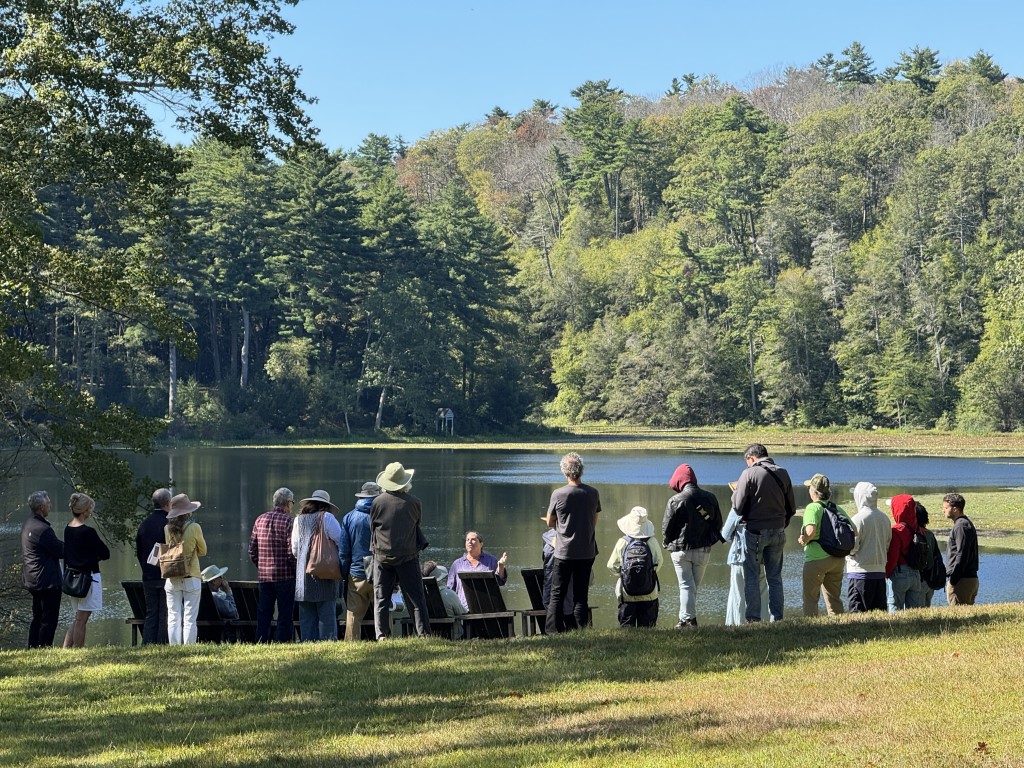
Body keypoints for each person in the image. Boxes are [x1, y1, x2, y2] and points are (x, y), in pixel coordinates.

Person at [731, 443, 796, 622]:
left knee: (751, 576)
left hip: (755, 532)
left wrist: (735, 492)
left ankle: (753, 619)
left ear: (751, 458)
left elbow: (737, 507)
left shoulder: (749, 473)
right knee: (774, 577)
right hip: (778, 530)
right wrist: (782, 524)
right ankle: (778, 618)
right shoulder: (782, 473)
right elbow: (791, 507)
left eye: (747, 462)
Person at [370, 462, 431, 639]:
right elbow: (416, 525)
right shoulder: (415, 503)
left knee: (381, 599)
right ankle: (423, 634)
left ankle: (381, 636)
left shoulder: (377, 502)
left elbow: (372, 527)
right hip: (408, 556)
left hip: (382, 557)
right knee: (416, 599)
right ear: (405, 483)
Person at [662, 463, 723, 629]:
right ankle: (684, 620)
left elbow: (667, 527)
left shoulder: (675, 500)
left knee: (687, 586)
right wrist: (709, 542)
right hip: (703, 550)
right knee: (692, 587)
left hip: (680, 550)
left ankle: (689, 621)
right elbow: (718, 525)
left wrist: (667, 543)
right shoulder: (710, 498)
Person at [545, 452, 600, 634]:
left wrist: (562, 526)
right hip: (587, 550)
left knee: (557, 593)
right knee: (581, 595)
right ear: (581, 471)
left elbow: (549, 521)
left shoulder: (558, 494)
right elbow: (594, 519)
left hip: (564, 551)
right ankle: (580, 630)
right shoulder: (592, 493)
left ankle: (553, 631)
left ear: (565, 472)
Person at [797, 474, 852, 617]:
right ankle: (838, 624)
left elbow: (811, 530)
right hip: (837, 559)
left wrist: (804, 539)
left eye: (810, 487)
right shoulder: (836, 507)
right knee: (834, 598)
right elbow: (855, 530)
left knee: (810, 599)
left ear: (814, 492)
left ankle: (811, 628)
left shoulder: (812, 508)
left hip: (816, 559)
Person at [291, 489, 343, 641]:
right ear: (325, 505)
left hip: (303, 574)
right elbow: (340, 540)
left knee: (307, 615)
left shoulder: (298, 520)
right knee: (326, 614)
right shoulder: (327, 517)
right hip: (324, 571)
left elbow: (294, 549)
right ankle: (327, 642)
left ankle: (308, 643)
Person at [62, 492, 111, 648]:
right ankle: (78, 650)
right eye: (90, 508)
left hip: (72, 577)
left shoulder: (67, 529)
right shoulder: (88, 532)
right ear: (84, 511)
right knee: (82, 618)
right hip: (88, 578)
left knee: (77, 616)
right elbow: (105, 553)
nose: (91, 512)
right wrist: (94, 557)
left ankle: (66, 648)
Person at [248, 487, 297, 643]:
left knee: (264, 612)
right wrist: (295, 572)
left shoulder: (260, 519)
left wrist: (262, 566)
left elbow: (252, 550)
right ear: (288, 503)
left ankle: (261, 640)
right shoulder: (289, 522)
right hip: (285, 576)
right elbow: (291, 552)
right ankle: (282, 642)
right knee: (285, 613)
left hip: (264, 576)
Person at [20, 490, 64, 648]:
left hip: (32, 578)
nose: (50, 506)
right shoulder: (43, 529)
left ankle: (33, 647)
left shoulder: (28, 524)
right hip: (46, 580)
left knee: (37, 616)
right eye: (48, 504)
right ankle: (44, 647)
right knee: (49, 618)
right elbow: (59, 550)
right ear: (41, 507)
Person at [607, 506, 663, 628]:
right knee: (647, 629)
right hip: (650, 592)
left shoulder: (623, 542)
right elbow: (659, 563)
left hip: (627, 593)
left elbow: (611, 565)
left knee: (627, 629)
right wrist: (648, 574)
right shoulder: (652, 541)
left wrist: (624, 574)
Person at [338, 481, 380, 641]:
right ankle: (385, 641)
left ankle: (351, 645)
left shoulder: (349, 517)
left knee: (353, 614)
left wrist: (344, 573)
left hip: (356, 571)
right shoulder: (382, 515)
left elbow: (344, 551)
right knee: (381, 610)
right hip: (378, 569)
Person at [164, 493, 207, 645]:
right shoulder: (194, 527)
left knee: (173, 615)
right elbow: (203, 551)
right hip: (191, 576)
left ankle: (174, 647)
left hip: (172, 576)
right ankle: (189, 647)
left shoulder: (167, 529)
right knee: (190, 617)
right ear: (187, 512)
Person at [845, 482, 892, 613]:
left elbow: (852, 547)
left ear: (860, 497)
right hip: (879, 573)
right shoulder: (885, 519)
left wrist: (848, 554)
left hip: (860, 573)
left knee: (858, 614)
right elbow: (887, 544)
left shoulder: (858, 519)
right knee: (878, 615)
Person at [721, 506, 768, 625]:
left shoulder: (738, 508)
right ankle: (762, 625)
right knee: (762, 594)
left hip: (740, 558)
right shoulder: (768, 506)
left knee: (738, 595)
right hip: (763, 557)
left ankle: (737, 626)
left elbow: (725, 534)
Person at [135, 488, 171, 644]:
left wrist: (146, 568)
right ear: (167, 503)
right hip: (165, 574)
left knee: (151, 612)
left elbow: (139, 551)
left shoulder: (144, 524)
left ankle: (147, 643)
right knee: (164, 612)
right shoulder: (169, 524)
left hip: (148, 575)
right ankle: (162, 644)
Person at [447, 530, 508, 609]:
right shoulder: (457, 564)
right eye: (467, 540)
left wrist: (501, 566)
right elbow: (450, 589)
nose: (470, 542)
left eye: (473, 539)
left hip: (488, 608)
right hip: (464, 609)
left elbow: (500, 581)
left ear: (481, 544)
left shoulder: (491, 561)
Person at [885, 494, 925, 611]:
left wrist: (886, 573)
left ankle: (894, 630)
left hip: (899, 574)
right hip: (916, 574)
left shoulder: (896, 531)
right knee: (914, 613)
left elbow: (893, 557)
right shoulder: (919, 530)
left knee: (895, 611)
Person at [943, 493, 979, 606]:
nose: (943, 510)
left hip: (962, 580)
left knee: (959, 617)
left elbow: (962, 554)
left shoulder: (961, 526)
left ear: (955, 509)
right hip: (966, 578)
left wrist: (953, 580)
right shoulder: (963, 524)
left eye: (945, 508)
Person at [541, 526, 576, 629]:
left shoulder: (546, 538)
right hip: (569, 583)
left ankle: (555, 630)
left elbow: (544, 559)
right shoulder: (574, 536)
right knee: (568, 603)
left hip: (550, 581)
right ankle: (570, 628)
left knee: (553, 601)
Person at [423, 561, 468, 638]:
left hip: (430, 632)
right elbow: (462, 612)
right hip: (452, 633)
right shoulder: (449, 594)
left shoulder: (422, 596)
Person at [916, 502, 945, 606]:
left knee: (918, 613)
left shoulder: (916, 535)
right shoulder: (930, 534)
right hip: (930, 579)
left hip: (921, 579)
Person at [201, 564, 239, 641]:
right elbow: (233, 613)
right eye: (221, 577)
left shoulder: (202, 595)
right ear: (214, 581)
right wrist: (228, 592)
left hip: (205, 631)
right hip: (221, 630)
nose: (223, 578)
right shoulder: (216, 597)